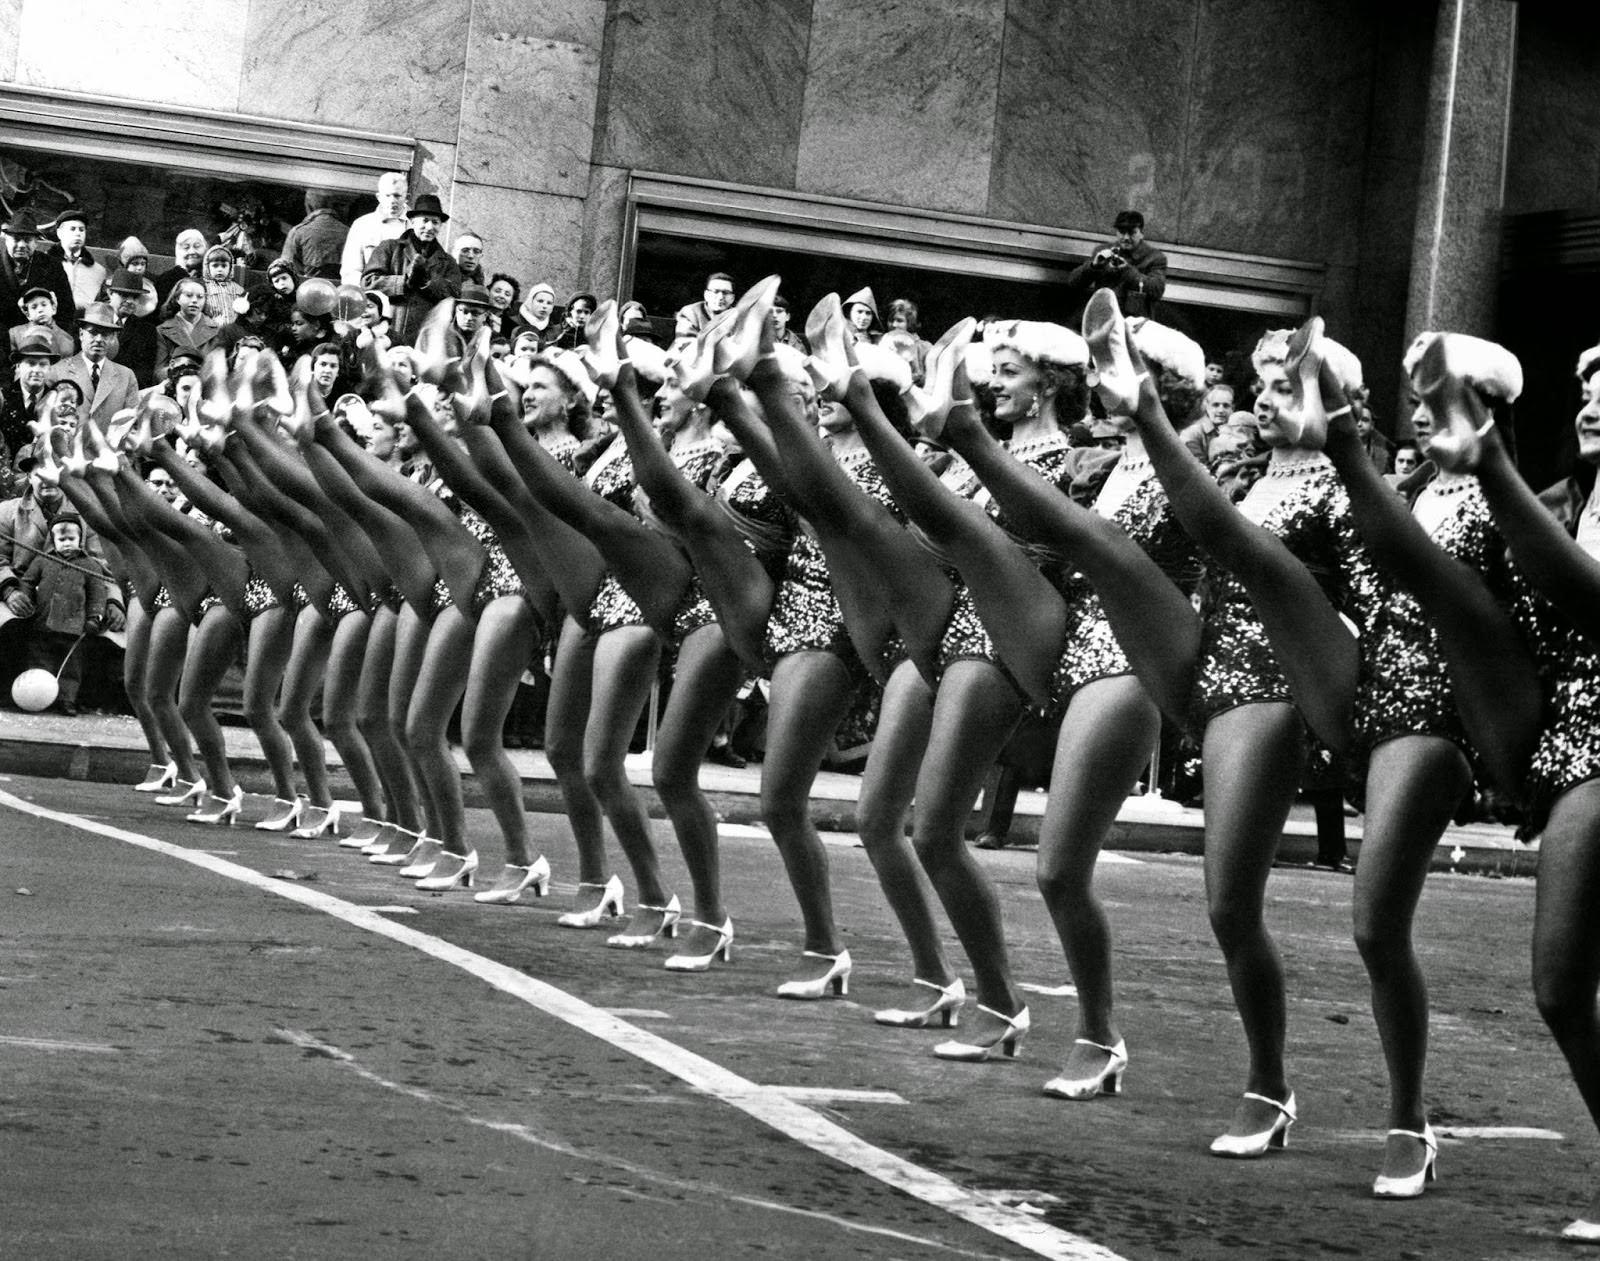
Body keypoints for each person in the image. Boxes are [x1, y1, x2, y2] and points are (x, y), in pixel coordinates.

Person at [361, 193, 462, 343]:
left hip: (425, 338)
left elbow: (454, 296)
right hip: (387, 332)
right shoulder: (389, 248)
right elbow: (367, 282)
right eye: (425, 221)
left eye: (435, 222)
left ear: (440, 226)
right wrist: (404, 281)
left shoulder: (448, 262)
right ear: (413, 221)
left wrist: (428, 280)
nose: (429, 227)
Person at [1067, 210, 1168, 319]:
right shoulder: (1103, 251)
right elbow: (1073, 282)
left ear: (1142, 233)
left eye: (1132, 232)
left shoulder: (1155, 258)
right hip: (1104, 319)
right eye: (1122, 232)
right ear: (1116, 232)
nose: (1126, 238)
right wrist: (1093, 266)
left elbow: (1157, 290)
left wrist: (1128, 271)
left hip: (1135, 324)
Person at [49, 303, 137, 425]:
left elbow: (129, 424)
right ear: (81, 334)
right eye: (93, 332)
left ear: (112, 338)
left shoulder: (126, 376)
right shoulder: (58, 371)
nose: (99, 339)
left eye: (105, 334)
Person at [0, 210, 74, 339]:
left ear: (36, 242)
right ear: (6, 239)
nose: (22, 245)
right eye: (16, 239)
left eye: (28, 240)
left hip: (41, 343)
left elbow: (66, 311)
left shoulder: (52, 266)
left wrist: (50, 335)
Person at [340, 171, 409, 287]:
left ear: (406, 197)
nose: (392, 201)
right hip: (369, 297)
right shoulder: (362, 225)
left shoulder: (417, 226)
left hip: (404, 296)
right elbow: (350, 270)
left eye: (397, 195)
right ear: (379, 197)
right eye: (387, 195)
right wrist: (366, 292)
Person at [155, 278, 224, 380]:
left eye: (200, 297)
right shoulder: (162, 331)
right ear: (177, 298)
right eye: (189, 295)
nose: (195, 300)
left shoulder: (217, 330)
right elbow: (158, 372)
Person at [45, 208, 106, 318]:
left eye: (81, 230)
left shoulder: (98, 271)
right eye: (72, 229)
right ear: (60, 233)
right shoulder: (45, 263)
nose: (78, 233)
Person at [280, 190, 348, 281]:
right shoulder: (350, 232)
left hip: (308, 289)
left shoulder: (298, 232)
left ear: (309, 206)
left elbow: (286, 269)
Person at [9, 285, 75, 360]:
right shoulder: (15, 334)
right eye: (34, 307)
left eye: (44, 305)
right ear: (28, 315)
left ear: (53, 309)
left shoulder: (66, 339)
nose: (40, 309)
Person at [673, 273, 735, 348]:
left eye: (726, 293)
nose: (720, 297)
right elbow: (686, 344)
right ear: (706, 295)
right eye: (715, 291)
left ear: (732, 298)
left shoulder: (738, 316)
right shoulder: (690, 313)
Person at [154, 229, 207, 307]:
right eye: (186, 247)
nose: (192, 252)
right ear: (178, 251)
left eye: (197, 246)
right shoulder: (167, 279)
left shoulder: (211, 277)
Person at [199, 246, 246, 328]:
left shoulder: (238, 289)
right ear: (207, 267)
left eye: (224, 266)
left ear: (230, 268)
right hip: (211, 330)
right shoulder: (203, 288)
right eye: (215, 266)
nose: (220, 269)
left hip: (233, 331)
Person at [515, 282, 563, 349]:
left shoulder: (553, 329)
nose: (544, 306)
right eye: (540, 301)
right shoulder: (514, 322)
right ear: (531, 301)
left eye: (549, 303)